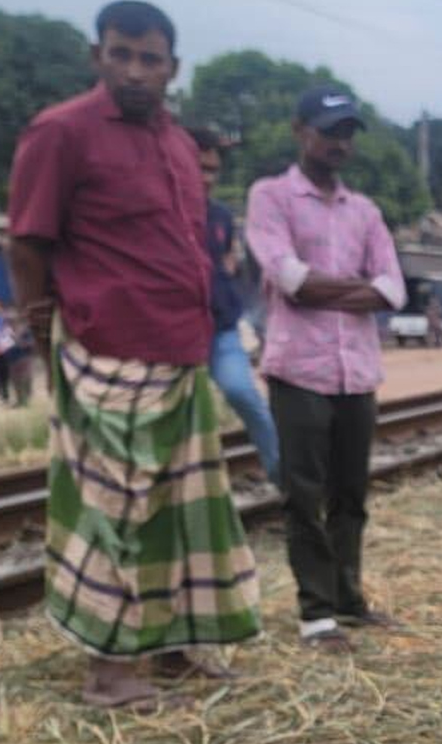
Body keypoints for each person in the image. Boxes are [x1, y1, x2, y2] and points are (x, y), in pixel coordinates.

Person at [7, 0, 262, 708]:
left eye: (150, 59)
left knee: (184, 515)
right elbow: (27, 244)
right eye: (121, 54)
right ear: (97, 57)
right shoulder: (60, 133)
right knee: (117, 518)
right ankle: (111, 675)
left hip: (181, 355)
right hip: (108, 354)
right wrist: (42, 338)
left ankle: (177, 651)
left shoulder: (179, 142)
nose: (135, 70)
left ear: (172, 69)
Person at [244, 86, 405, 652]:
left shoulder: (365, 211)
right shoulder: (271, 197)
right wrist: (354, 290)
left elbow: (393, 290)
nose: (339, 142)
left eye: (347, 133)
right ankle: (316, 614)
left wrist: (324, 290)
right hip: (299, 371)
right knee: (303, 493)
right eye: (329, 130)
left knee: (351, 493)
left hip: (356, 373)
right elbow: (291, 280)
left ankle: (348, 599)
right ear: (299, 130)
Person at [189, 127, 282, 486]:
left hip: (222, 329)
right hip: (176, 334)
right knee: (186, 418)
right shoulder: (158, 213)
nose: (206, 178)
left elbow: (228, 258)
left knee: (243, 393)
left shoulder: (222, 217)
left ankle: (283, 476)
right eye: (199, 167)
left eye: (212, 170)